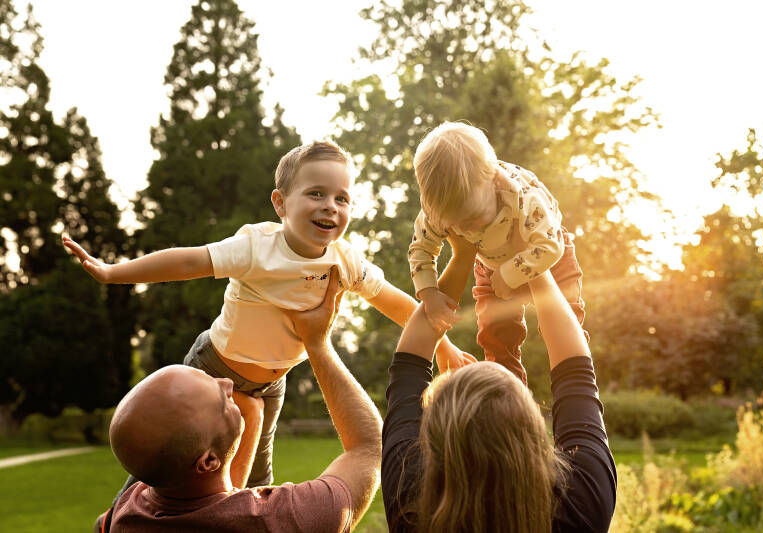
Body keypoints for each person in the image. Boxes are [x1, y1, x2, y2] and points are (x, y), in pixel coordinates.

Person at [64, 140, 473, 487]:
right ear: (280, 203)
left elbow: (394, 301)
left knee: (257, 484)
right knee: (170, 466)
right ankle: (117, 520)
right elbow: (188, 262)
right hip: (215, 367)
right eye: (316, 193)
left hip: (272, 383)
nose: (330, 206)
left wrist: (444, 346)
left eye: (342, 198)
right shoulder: (257, 247)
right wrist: (114, 272)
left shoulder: (345, 261)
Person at [96, 267, 382, 532]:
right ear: (207, 461)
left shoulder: (125, 513)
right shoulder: (286, 519)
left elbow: (217, 503)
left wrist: (252, 421)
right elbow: (369, 449)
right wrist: (318, 343)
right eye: (220, 400)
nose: (227, 382)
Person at [382, 237, 616, 532]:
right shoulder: (579, 506)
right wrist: (534, 261)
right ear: (531, 426)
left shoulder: (414, 507)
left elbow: (408, 364)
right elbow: (575, 370)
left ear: (434, 437)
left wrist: (464, 254)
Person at [408, 121, 586, 384]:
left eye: (472, 218)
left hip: (547, 256)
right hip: (490, 263)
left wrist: (511, 273)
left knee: (567, 320)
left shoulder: (523, 196)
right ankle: (508, 390)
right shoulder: (439, 208)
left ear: (494, 180)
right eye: (452, 224)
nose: (461, 229)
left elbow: (550, 246)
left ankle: (575, 378)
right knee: (495, 332)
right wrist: (430, 294)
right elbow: (421, 250)